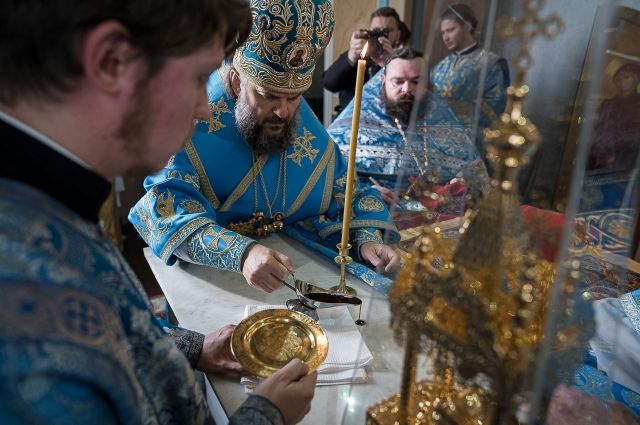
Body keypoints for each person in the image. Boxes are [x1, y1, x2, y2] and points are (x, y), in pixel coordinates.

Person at [0, 1, 318, 424]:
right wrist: (265, 415)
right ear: (113, 62)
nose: (206, 108)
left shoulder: (42, 194)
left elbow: (112, 325)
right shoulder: (22, 299)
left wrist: (191, 347)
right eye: (195, 78)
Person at [129, 0, 401, 295]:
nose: (283, 112)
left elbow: (347, 191)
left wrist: (367, 239)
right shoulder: (191, 117)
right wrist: (241, 253)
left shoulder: (296, 116)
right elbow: (166, 215)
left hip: (290, 275)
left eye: (294, 97)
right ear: (236, 83)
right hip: (213, 285)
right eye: (269, 95)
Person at [327, 47, 488, 209]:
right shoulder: (351, 126)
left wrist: (460, 188)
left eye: (416, 82)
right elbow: (323, 177)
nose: (406, 89)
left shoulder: (444, 123)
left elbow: (478, 180)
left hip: (435, 220)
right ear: (383, 81)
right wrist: (363, 192)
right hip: (375, 216)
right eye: (398, 81)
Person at [431, 4, 510, 154]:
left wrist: (458, 107)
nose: (446, 37)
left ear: (467, 26)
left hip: (471, 145)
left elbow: (496, 108)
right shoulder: (440, 67)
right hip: (437, 144)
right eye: (443, 33)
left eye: (450, 30)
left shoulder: (490, 63)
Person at [323, 7, 406, 113]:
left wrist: (390, 64)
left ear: (398, 34)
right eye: (376, 31)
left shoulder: (403, 63)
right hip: (348, 122)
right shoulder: (358, 56)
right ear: (369, 31)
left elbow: (404, 99)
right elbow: (329, 84)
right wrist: (351, 56)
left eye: (387, 31)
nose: (381, 35)